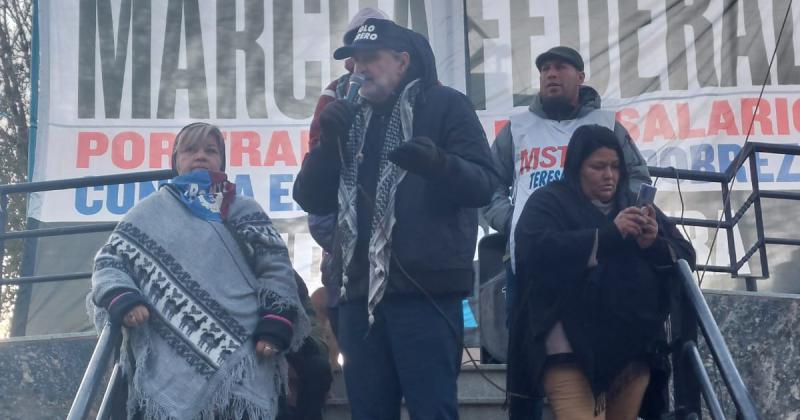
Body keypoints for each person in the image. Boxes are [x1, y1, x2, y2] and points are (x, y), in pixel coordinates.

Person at [293, 18, 496, 420]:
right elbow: (309, 197)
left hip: (426, 295)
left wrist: (438, 164)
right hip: (357, 298)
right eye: (353, 61)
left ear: (402, 62)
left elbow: (485, 185)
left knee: (432, 411)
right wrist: (328, 146)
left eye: (370, 58)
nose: (359, 68)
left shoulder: (445, 105)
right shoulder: (346, 113)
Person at [87, 122, 310, 420]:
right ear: (176, 160)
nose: (200, 156)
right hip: (168, 356)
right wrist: (124, 298)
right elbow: (109, 261)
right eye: (190, 149)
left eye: (211, 150)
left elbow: (276, 268)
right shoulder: (148, 213)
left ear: (222, 160)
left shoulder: (245, 209)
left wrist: (275, 323)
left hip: (247, 354)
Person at [506, 124, 696, 420]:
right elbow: (535, 251)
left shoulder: (636, 205)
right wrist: (608, 235)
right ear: (576, 167)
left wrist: (653, 244)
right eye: (598, 166)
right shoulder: (549, 202)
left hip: (633, 353)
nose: (609, 175)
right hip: (567, 351)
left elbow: (685, 255)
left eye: (615, 166)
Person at [481, 45, 652, 320]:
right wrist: (512, 220)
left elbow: (638, 178)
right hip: (532, 252)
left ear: (581, 76)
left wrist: (617, 220)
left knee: (601, 335)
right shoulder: (517, 127)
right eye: (545, 69)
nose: (551, 74)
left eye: (560, 68)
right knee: (528, 343)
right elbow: (488, 184)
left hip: (599, 250)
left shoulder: (605, 124)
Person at [307, 7, 390, 337]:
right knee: (361, 359)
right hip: (346, 248)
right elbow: (315, 177)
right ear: (349, 61)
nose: (364, 64)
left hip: (407, 258)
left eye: (374, 53)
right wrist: (344, 241)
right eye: (358, 55)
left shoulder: (426, 92)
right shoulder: (335, 94)